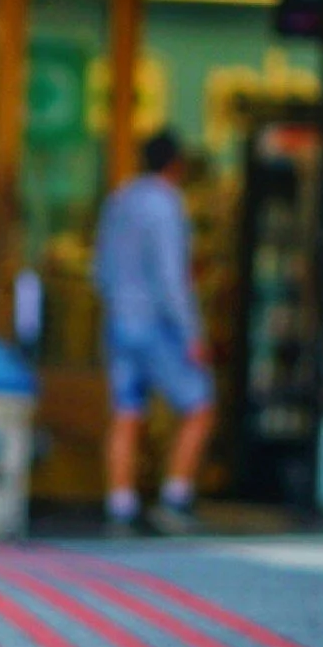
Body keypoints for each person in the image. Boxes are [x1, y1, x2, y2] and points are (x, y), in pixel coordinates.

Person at [94, 127, 216, 535]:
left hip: (118, 321)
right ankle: (175, 499)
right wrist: (192, 333)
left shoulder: (119, 199)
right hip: (156, 324)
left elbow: (101, 270)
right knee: (199, 405)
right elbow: (170, 277)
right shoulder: (166, 204)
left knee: (127, 412)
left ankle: (120, 503)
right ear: (176, 165)